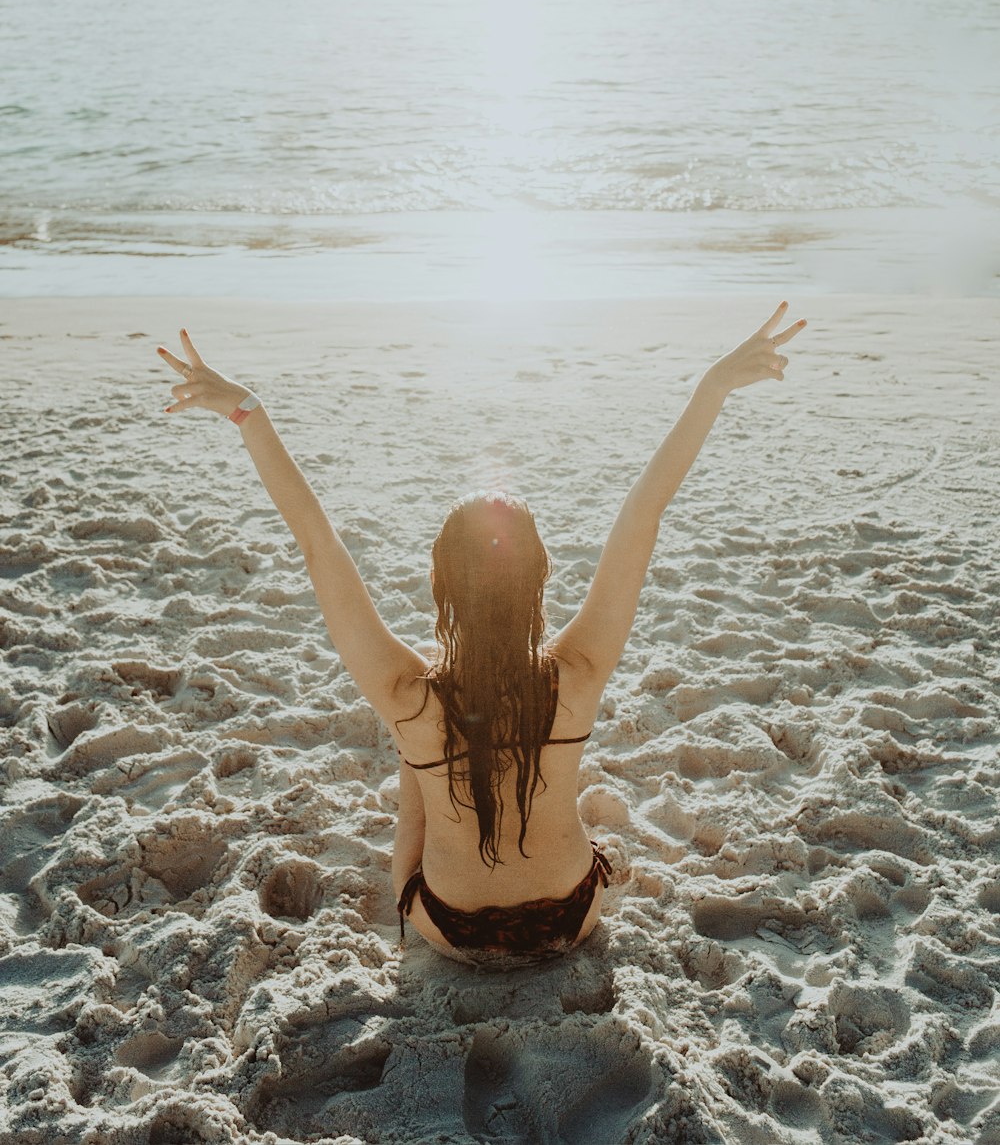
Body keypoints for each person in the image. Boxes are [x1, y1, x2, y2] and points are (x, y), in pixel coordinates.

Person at [158, 304, 806, 966]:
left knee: (417, 749)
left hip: (452, 928)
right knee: (504, 757)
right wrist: (712, 388)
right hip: (573, 916)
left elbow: (317, 541)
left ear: (442, 583)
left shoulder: (406, 689)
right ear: (537, 580)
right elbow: (645, 508)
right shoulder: (579, 669)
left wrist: (248, 412)